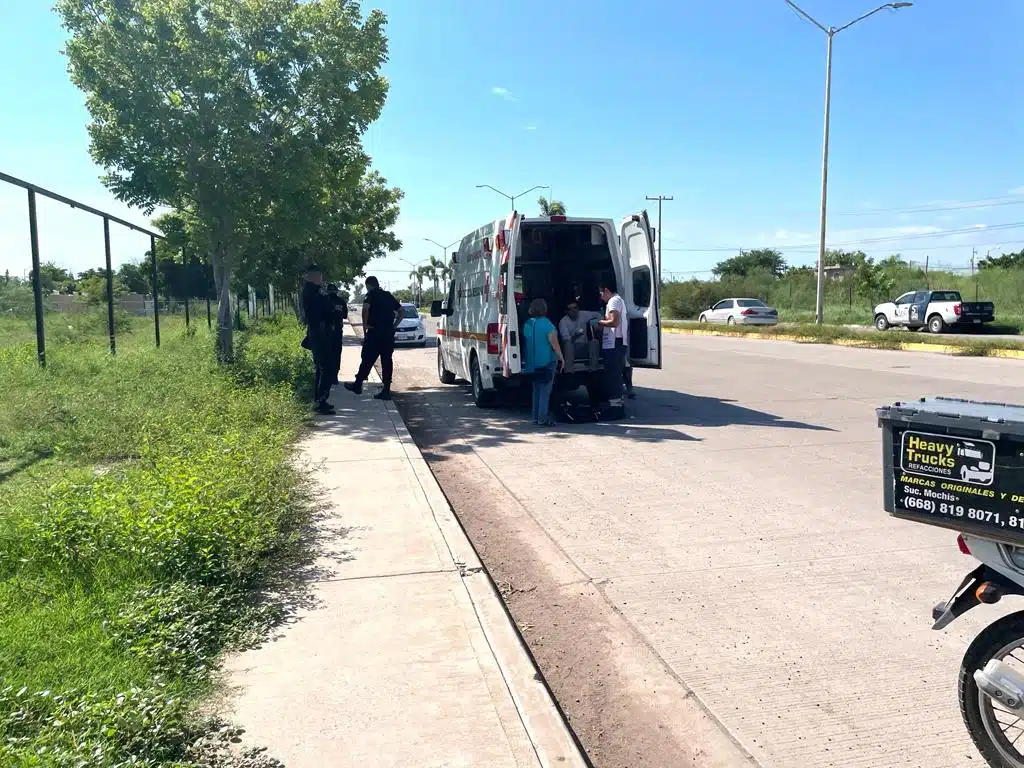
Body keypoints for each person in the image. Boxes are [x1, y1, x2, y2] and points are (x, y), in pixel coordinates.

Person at [344, 276, 402, 400]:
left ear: (369, 285)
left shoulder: (370, 295)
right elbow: (401, 311)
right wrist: (394, 326)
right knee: (387, 360)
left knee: (367, 358)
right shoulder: (388, 295)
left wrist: (365, 328)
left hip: (374, 332)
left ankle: (358, 385)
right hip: (388, 334)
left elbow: (365, 311)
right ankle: (386, 390)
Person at [523, 298, 564, 426]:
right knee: (545, 391)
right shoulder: (547, 324)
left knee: (536, 390)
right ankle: (542, 418)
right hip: (547, 361)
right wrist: (561, 358)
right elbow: (554, 344)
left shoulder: (528, 324)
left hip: (531, 362)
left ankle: (535, 417)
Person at [301, 264, 335, 414]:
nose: (321, 279)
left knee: (322, 369)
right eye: (319, 276)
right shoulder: (313, 292)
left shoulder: (313, 291)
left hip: (319, 333)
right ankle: (320, 401)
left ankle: (321, 400)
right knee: (325, 368)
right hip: (319, 334)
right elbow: (325, 310)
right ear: (313, 276)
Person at [596, 278, 628, 418]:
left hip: (615, 342)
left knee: (613, 375)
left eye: (601, 293)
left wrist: (599, 322)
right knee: (614, 375)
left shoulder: (613, 301)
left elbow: (614, 322)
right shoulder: (618, 300)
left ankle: (615, 408)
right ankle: (617, 404)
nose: (601, 297)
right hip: (616, 342)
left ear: (607, 291)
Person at [557, 300, 600, 372]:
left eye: (575, 308)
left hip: (584, 346)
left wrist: (598, 324)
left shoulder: (583, 314)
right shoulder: (563, 321)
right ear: (566, 311)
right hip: (572, 348)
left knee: (594, 342)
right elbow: (565, 340)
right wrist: (575, 336)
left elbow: (598, 315)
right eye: (570, 309)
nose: (573, 311)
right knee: (568, 344)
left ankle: (593, 371)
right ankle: (569, 372)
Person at [325, 283, 348, 386]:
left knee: (327, 354)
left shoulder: (324, 300)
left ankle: (328, 376)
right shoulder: (341, 301)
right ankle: (334, 377)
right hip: (336, 331)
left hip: (326, 332)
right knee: (336, 354)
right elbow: (345, 316)